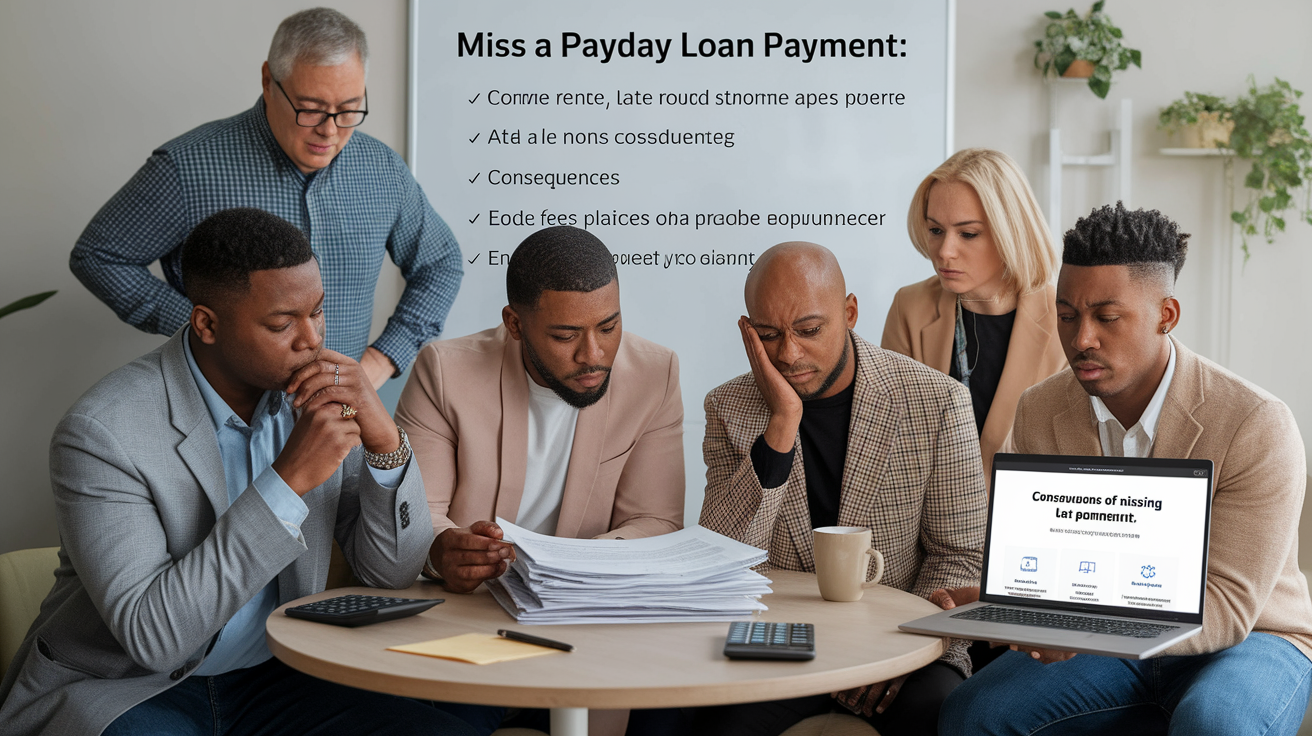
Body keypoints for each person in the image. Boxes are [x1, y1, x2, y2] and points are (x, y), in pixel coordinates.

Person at [0, 209, 473, 736]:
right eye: (281, 324)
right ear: (206, 323)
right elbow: (154, 638)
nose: (311, 339)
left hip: (276, 676)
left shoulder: (317, 400)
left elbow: (392, 572)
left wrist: (385, 442)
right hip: (125, 689)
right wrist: (287, 481)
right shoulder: (102, 431)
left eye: (318, 312)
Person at [937, 203, 1312, 736]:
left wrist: (1077, 626)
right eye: (1066, 316)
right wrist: (1003, 600)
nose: (1081, 338)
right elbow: (1048, 563)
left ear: (1167, 315)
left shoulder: (1256, 423)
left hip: (1255, 639)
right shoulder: (1040, 410)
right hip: (1103, 643)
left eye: (1107, 318)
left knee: (1215, 724)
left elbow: (1226, 607)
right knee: (972, 714)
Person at [69, 8, 462, 389]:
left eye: (348, 109)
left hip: (340, 413)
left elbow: (441, 263)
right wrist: (199, 324)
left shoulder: (382, 169)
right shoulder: (187, 167)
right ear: (268, 81)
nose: (330, 131)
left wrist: (382, 359)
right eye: (310, 109)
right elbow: (99, 255)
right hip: (221, 415)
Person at [395, 224, 684, 736]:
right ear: (514, 323)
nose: (593, 355)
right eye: (565, 335)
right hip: (472, 627)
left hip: (593, 626)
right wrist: (444, 551)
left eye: (609, 326)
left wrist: (573, 566)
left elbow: (655, 520)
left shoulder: (654, 373)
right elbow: (420, 516)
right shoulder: (444, 372)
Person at [695, 242, 986, 736]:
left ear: (849, 312)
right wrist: (782, 424)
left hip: (903, 645)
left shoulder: (939, 402)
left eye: (809, 331)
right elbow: (724, 560)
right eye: (768, 335)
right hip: (782, 647)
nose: (789, 354)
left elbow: (959, 557)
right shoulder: (730, 407)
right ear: (749, 331)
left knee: (942, 712)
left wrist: (897, 651)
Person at [882, 148, 1065, 482]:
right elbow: (894, 442)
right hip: (930, 522)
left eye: (968, 234)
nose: (945, 252)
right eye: (936, 230)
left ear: (1012, 233)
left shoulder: (1064, 318)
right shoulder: (909, 307)